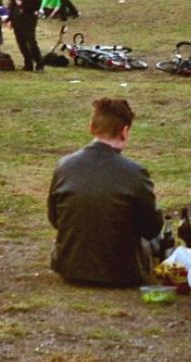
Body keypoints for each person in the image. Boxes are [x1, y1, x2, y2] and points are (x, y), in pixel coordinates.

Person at [48, 97, 163, 286]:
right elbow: (151, 228)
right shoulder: (134, 173)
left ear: (91, 127)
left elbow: (54, 218)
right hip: (122, 273)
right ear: (125, 132)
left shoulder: (64, 165)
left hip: (69, 267)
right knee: (157, 235)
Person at [10, 0, 44, 72]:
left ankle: (39, 64)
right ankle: (28, 63)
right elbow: (13, 5)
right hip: (18, 19)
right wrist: (10, 18)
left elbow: (36, 5)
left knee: (31, 42)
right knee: (22, 42)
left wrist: (22, 6)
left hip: (28, 19)